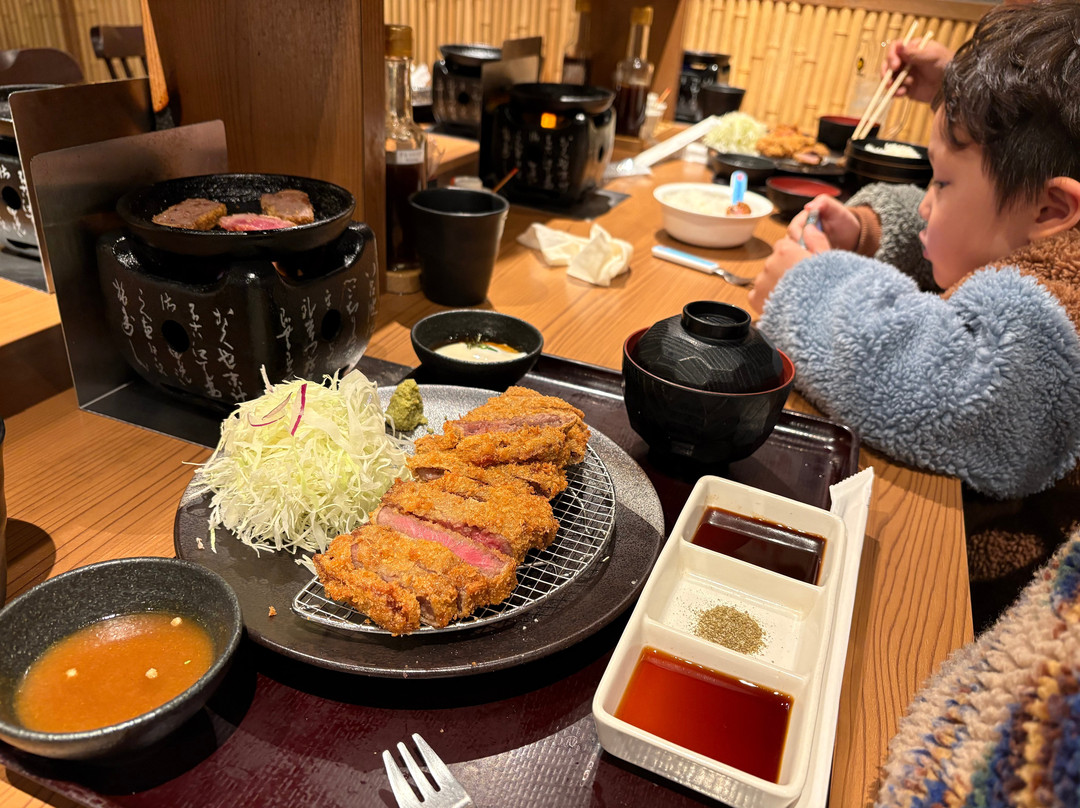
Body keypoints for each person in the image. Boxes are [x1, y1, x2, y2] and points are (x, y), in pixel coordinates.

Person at [748, 1, 1080, 629]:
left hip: (986, 620)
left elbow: (952, 383)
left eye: (941, 183)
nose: (924, 203)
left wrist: (807, 290)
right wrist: (869, 230)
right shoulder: (1037, 222)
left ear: (1048, 211)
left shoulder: (1062, 312)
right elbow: (980, 215)